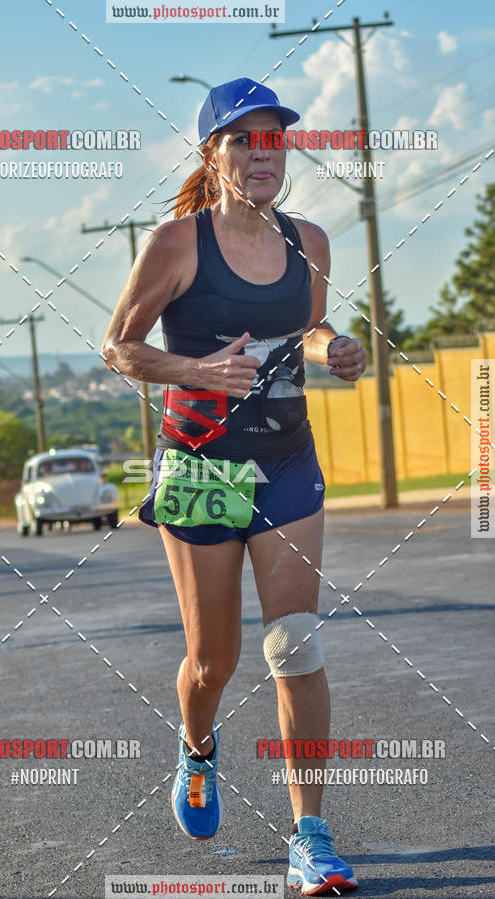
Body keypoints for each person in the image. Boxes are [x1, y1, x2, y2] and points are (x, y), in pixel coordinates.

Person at [102, 78, 366, 896]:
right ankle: (197, 744)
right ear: (213, 153)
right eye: (243, 139)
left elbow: (309, 325)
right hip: (201, 467)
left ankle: (310, 836)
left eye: (273, 139)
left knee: (296, 643)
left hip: (288, 465)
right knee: (213, 660)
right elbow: (119, 346)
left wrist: (335, 349)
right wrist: (197, 368)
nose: (262, 152)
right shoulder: (177, 244)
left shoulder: (310, 239)